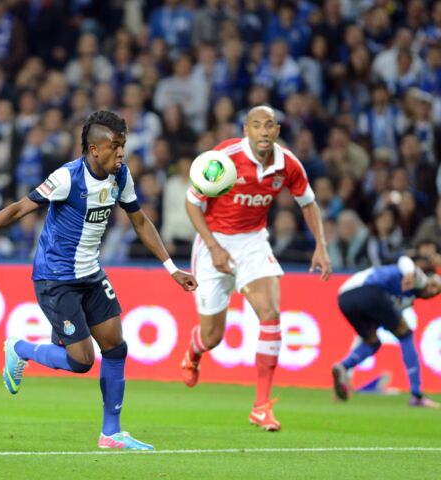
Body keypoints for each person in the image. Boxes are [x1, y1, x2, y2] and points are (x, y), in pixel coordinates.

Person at [0, 111, 197, 450]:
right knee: (81, 360)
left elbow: (140, 223)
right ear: (95, 149)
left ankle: (111, 433)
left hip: (90, 274)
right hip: (55, 278)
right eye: (116, 146)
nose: (122, 153)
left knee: (115, 346)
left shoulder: (121, 178)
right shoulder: (67, 178)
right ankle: (20, 348)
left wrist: (172, 268)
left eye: (123, 146)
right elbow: (19, 209)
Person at [180, 106, 332, 432]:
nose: (263, 132)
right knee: (212, 336)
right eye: (256, 126)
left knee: (270, 312)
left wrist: (321, 244)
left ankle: (261, 406)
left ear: (277, 130)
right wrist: (214, 246)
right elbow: (192, 202)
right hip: (213, 242)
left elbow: (309, 203)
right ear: (246, 130)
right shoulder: (224, 157)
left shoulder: (288, 164)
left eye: (269, 126)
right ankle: (194, 351)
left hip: (252, 243)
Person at [331, 256, 440, 408]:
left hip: (345, 299)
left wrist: (348, 376)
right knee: (405, 334)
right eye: (434, 284)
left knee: (372, 341)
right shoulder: (418, 280)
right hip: (369, 290)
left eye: (436, 292)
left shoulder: (405, 299)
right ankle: (416, 395)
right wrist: (409, 273)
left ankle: (343, 367)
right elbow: (404, 260)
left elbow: (364, 335)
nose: (432, 291)